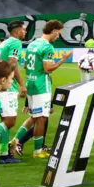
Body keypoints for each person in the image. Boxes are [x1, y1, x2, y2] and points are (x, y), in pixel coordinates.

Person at [10, 19, 64, 160]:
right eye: (58, 34)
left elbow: (26, 65)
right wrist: (63, 60)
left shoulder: (32, 44)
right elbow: (48, 69)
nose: (58, 37)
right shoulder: (48, 47)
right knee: (41, 119)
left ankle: (15, 140)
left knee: (34, 117)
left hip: (31, 84)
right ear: (53, 31)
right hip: (41, 87)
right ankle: (38, 150)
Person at [0, 21, 28, 164]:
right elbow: (13, 63)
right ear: (17, 30)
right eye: (24, 30)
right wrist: (21, 84)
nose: (25, 32)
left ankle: (4, 154)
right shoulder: (15, 43)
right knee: (9, 121)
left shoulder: (3, 44)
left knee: (5, 122)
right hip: (8, 87)